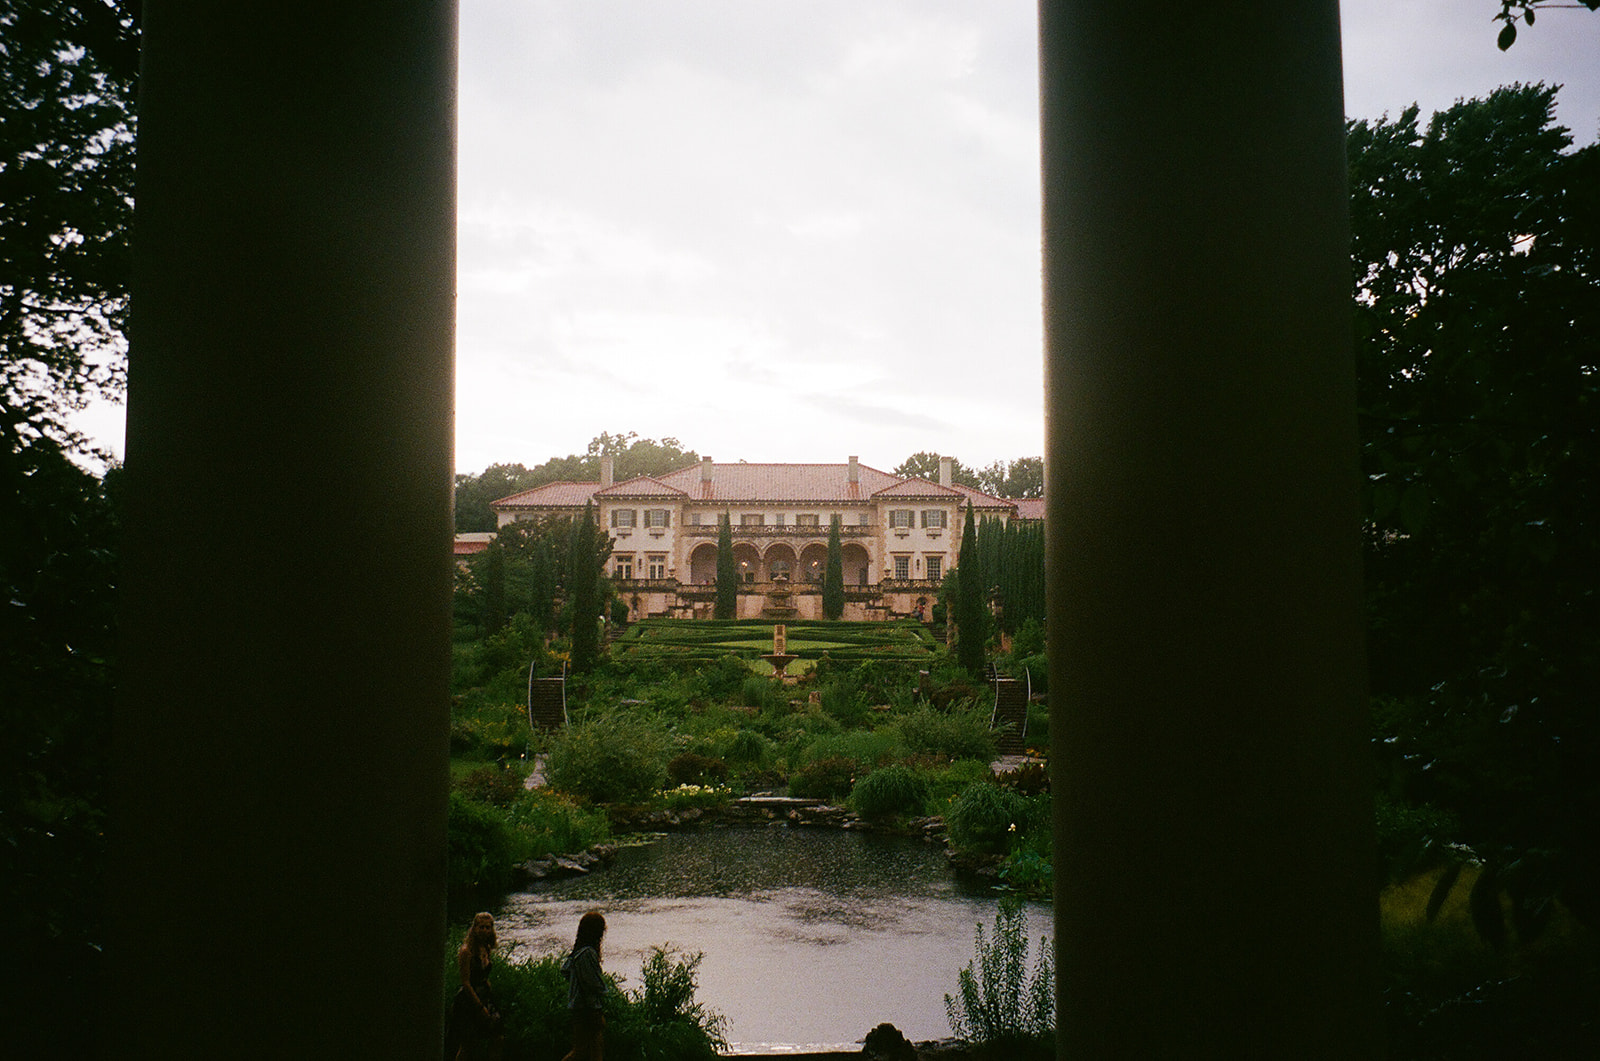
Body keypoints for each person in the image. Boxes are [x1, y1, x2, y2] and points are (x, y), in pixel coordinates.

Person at [444, 912, 503, 1061]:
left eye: (488, 928)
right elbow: (465, 982)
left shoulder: (486, 948)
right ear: (474, 929)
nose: (485, 931)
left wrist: (488, 988)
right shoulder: (466, 952)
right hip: (468, 1000)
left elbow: (483, 974)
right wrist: (479, 1007)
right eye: (481, 927)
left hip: (485, 995)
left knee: (498, 1037)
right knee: (467, 1044)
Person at [560, 910, 608, 1061]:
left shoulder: (577, 952)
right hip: (588, 1007)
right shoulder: (588, 953)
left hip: (577, 1006)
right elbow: (593, 983)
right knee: (588, 1050)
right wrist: (605, 992)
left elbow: (565, 970)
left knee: (584, 1049)